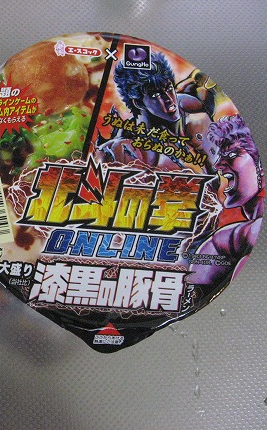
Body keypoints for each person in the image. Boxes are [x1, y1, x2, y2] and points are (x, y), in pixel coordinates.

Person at [97, 52, 215, 171]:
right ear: (138, 102)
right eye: (155, 95)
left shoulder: (193, 117)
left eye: (169, 88)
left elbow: (219, 171)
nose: (169, 100)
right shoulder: (123, 144)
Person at [188, 115, 264, 285]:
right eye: (221, 155)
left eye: (232, 154)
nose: (219, 165)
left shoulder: (236, 238)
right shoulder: (226, 240)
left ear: (260, 164)